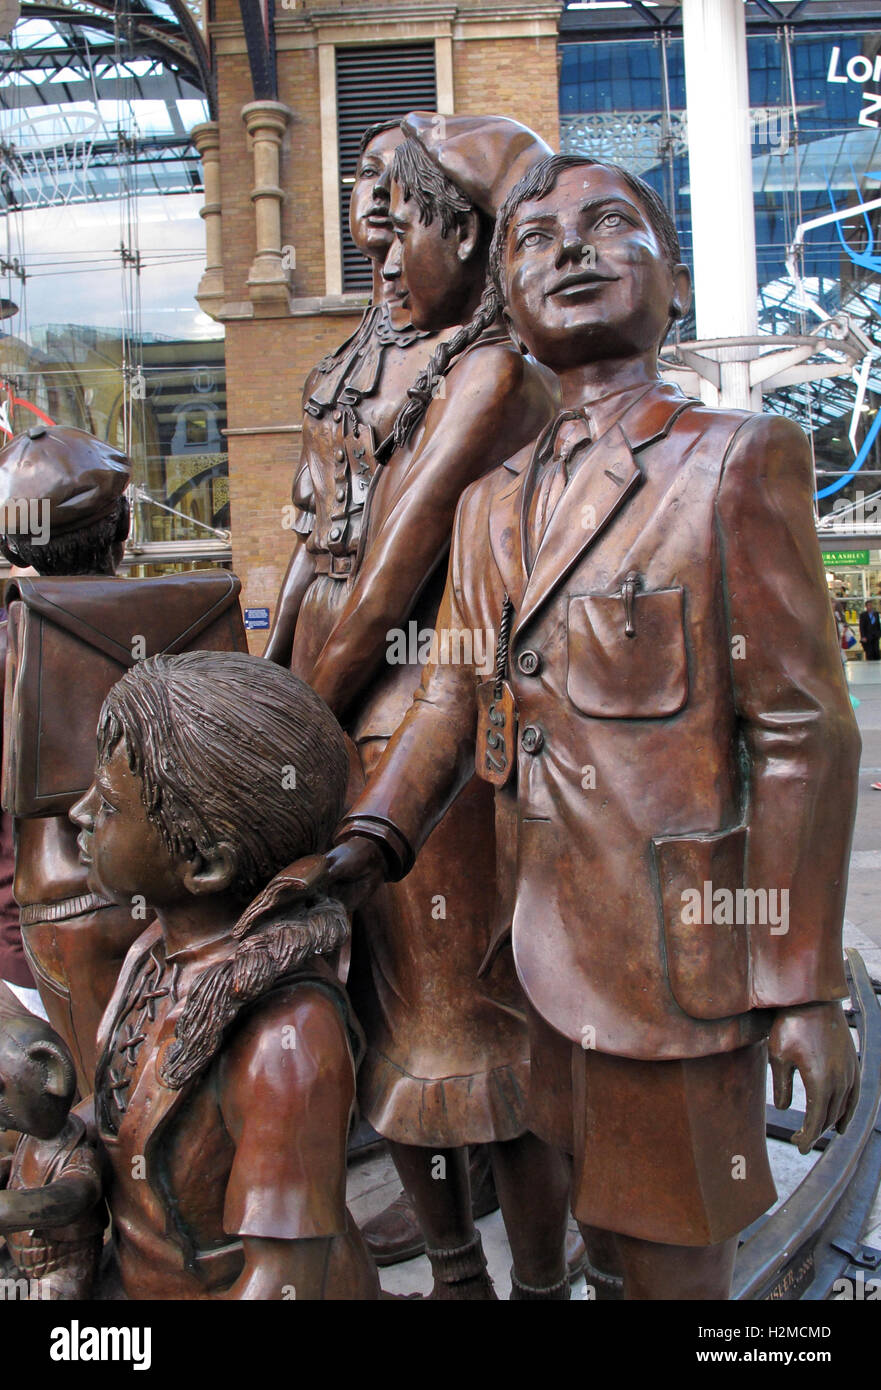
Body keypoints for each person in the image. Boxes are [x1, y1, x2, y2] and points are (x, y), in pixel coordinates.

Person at [244, 153, 861, 1300]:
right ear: (507, 301)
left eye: (608, 226)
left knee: (675, 1262)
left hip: (672, 972)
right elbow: (446, 695)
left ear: (670, 283)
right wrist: (363, 842)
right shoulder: (488, 504)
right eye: (533, 239)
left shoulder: (730, 462)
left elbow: (800, 737)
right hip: (530, 969)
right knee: (596, 1239)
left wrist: (800, 987)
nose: (568, 251)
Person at [262, 112, 573, 1300]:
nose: (382, 258)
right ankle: (453, 1267)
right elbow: (314, 544)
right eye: (374, 221)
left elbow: (397, 562)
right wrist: (268, 698)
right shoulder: (364, 356)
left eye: (410, 225)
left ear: (479, 238)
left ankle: (532, 1277)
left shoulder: (496, 372)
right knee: (372, 1023)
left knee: (466, 1029)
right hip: (326, 703)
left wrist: (282, 728)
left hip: (422, 726)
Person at [70, 652, 378, 1300]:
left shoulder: (288, 1043)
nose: (78, 813)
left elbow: (280, 1284)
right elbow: (124, 1126)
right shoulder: (155, 954)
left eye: (110, 804)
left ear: (206, 865)